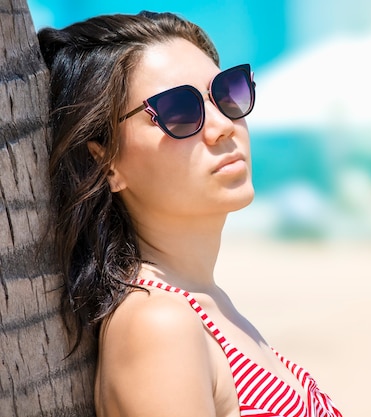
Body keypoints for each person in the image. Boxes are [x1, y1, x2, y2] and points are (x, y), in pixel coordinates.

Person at [37, 11, 343, 417]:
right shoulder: (160, 325)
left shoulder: (207, 304)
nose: (222, 126)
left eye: (227, 92)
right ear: (105, 164)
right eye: (180, 110)